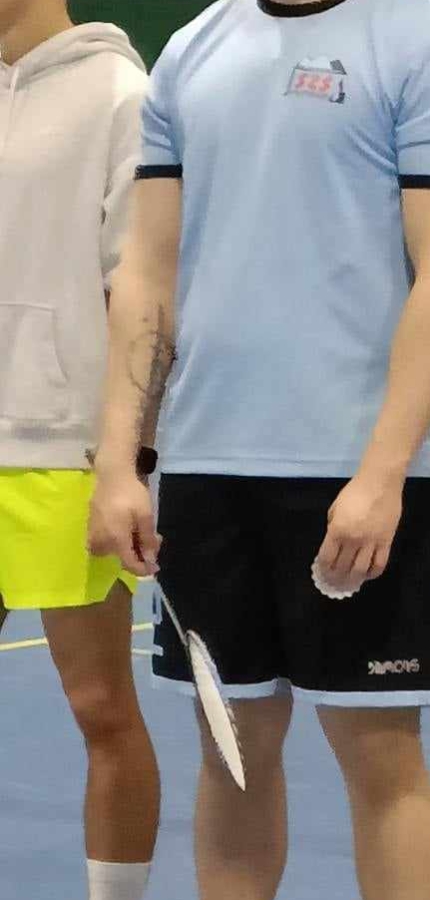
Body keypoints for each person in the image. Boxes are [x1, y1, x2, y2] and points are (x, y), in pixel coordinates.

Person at [86, 0, 430, 898]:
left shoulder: (425, 47)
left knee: (379, 757)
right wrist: (122, 460)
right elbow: (147, 271)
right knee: (230, 752)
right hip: (206, 470)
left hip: (356, 471)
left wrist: (384, 473)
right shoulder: (193, 51)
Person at [0, 3, 159, 899]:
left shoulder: (121, 94)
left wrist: (125, 459)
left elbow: (140, 292)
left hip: (65, 454)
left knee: (100, 707)